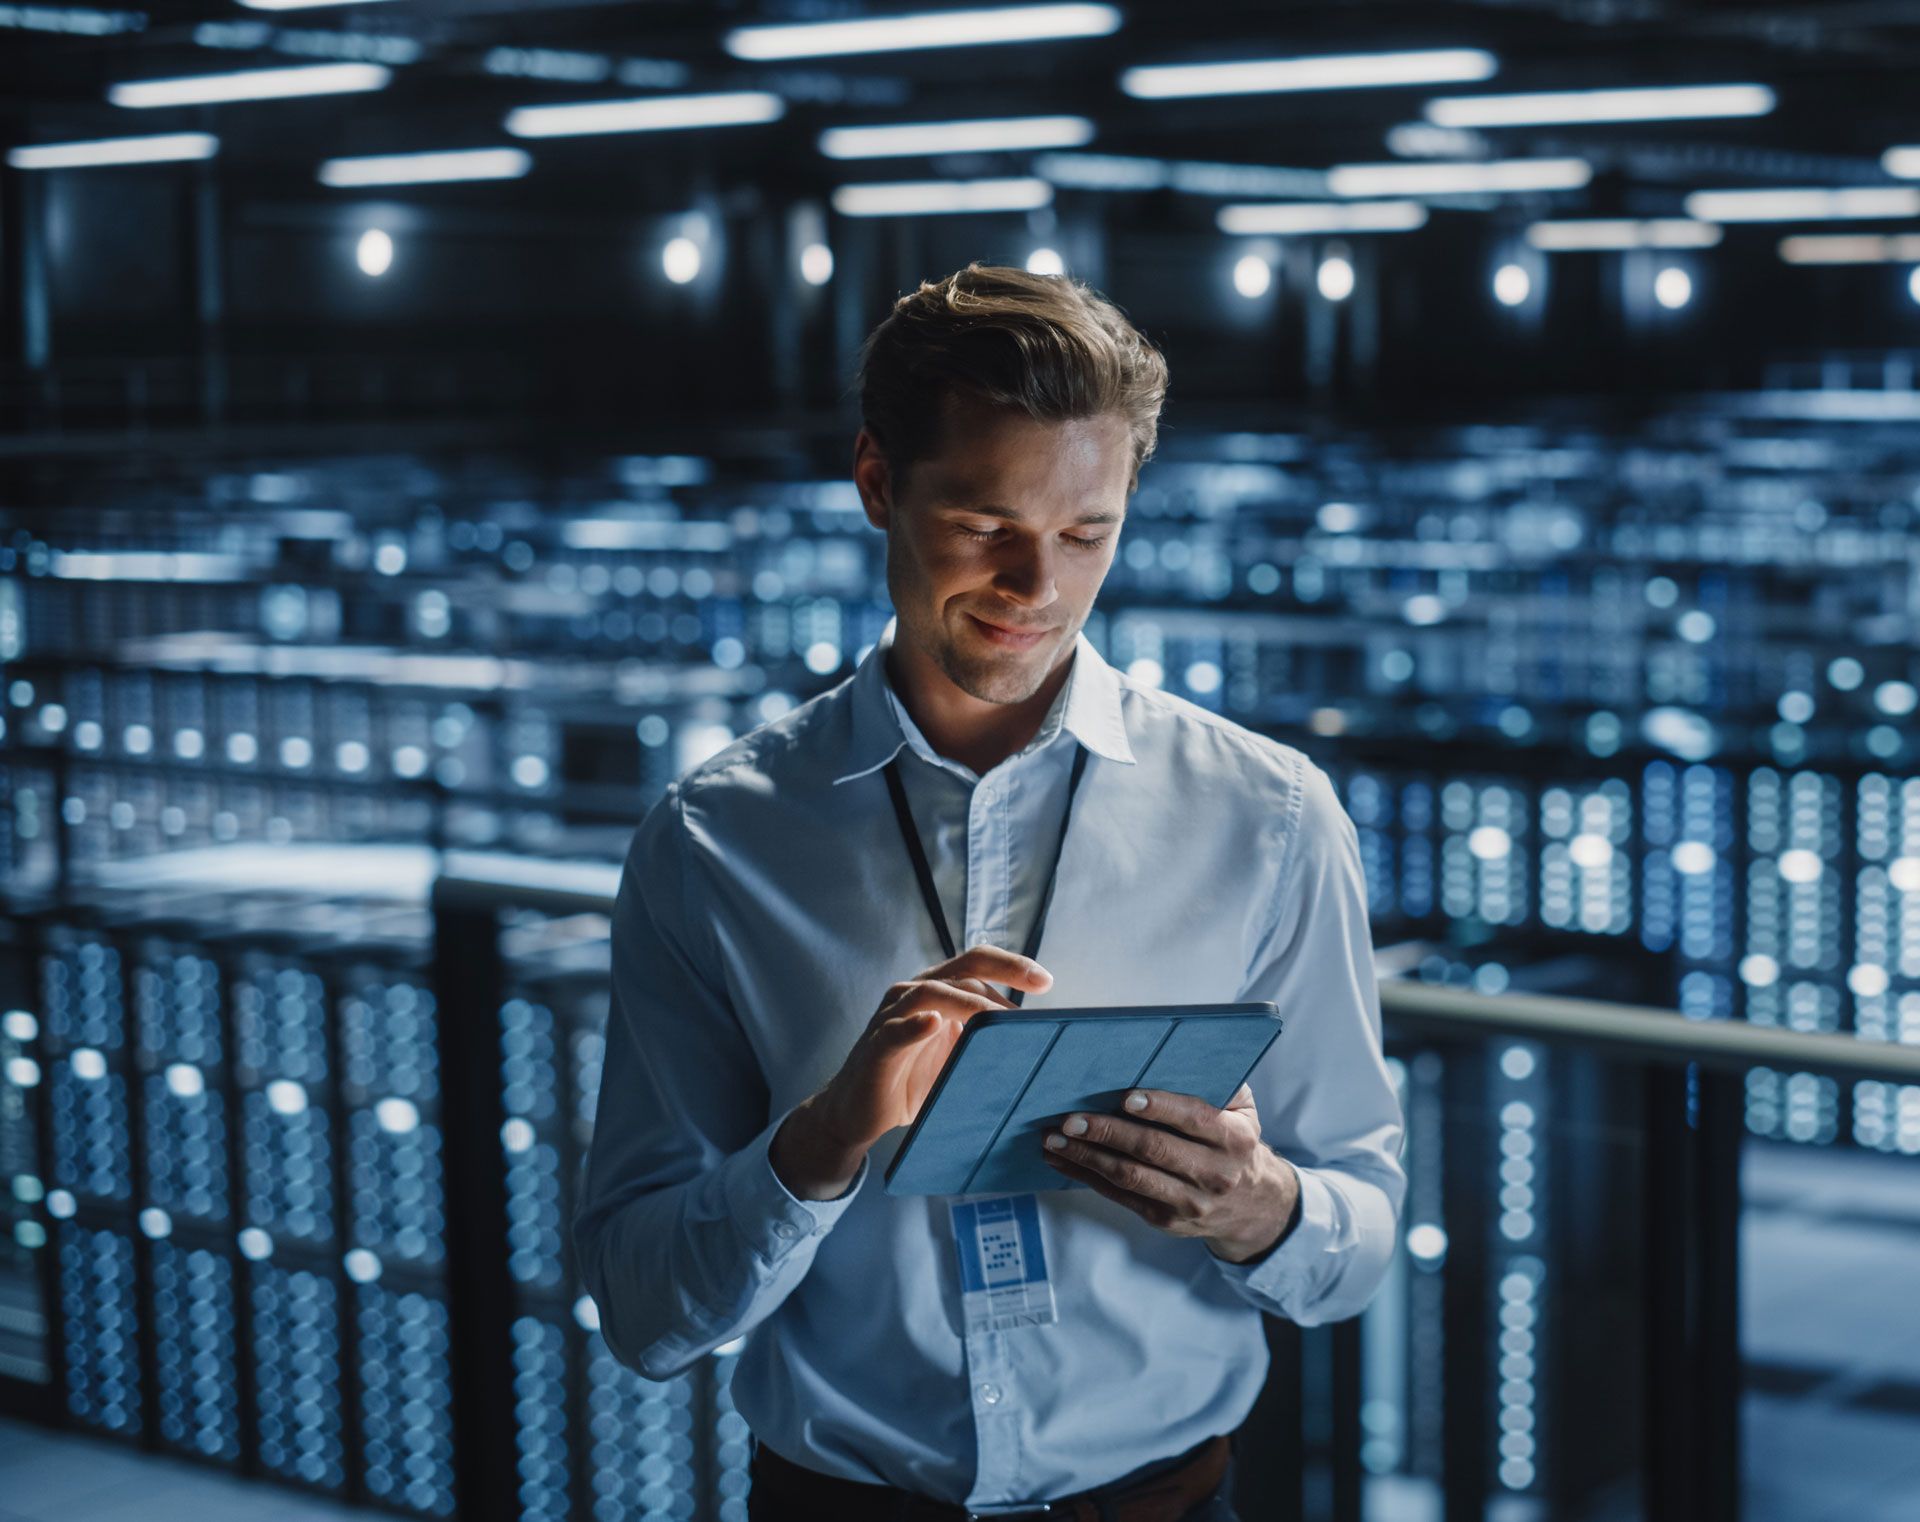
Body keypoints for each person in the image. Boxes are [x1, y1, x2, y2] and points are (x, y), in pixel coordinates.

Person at [574, 263, 1407, 1522]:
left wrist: (1263, 1207)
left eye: (1088, 534)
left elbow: (1363, 1225)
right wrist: (817, 1146)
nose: (1040, 588)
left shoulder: (1270, 815)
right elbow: (643, 1309)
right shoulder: (714, 844)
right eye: (985, 526)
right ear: (876, 484)